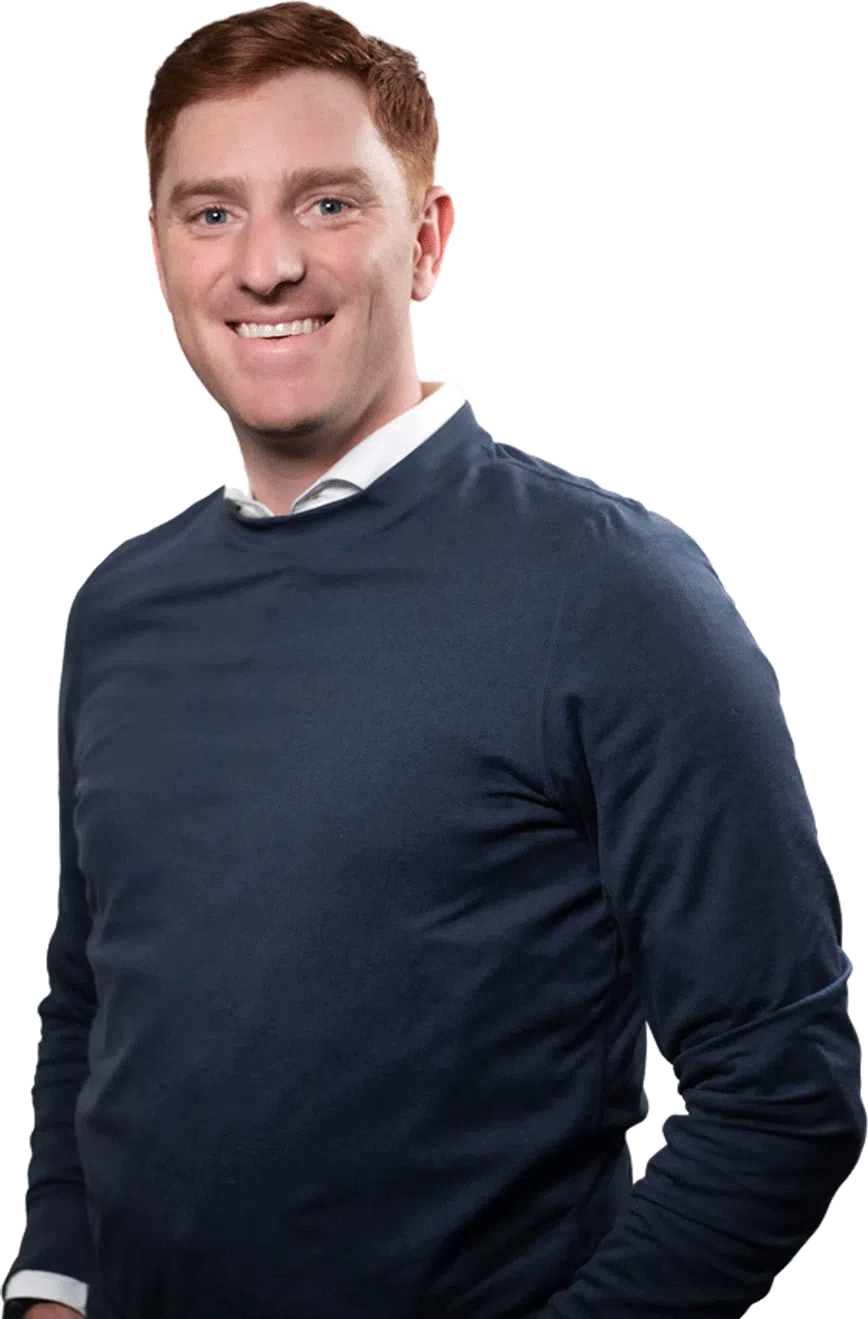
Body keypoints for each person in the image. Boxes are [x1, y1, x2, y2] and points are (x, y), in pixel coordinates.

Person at [3, 4, 865, 1318]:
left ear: (428, 239)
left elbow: (783, 1087)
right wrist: (53, 1283)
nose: (267, 265)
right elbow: (92, 999)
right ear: (162, 249)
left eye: (329, 203)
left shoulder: (613, 594)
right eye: (212, 212)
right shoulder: (120, 609)